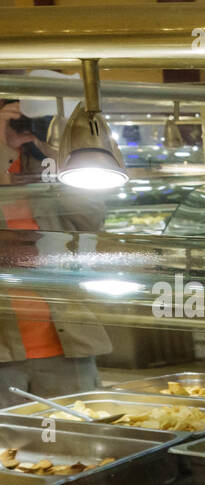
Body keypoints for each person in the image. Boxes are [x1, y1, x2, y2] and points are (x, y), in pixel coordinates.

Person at [0, 99, 111, 404]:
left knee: (79, 443)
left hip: (67, 341)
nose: (23, 125)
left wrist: (61, 154)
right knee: (10, 448)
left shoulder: (42, 163)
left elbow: (89, 220)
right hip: (5, 354)